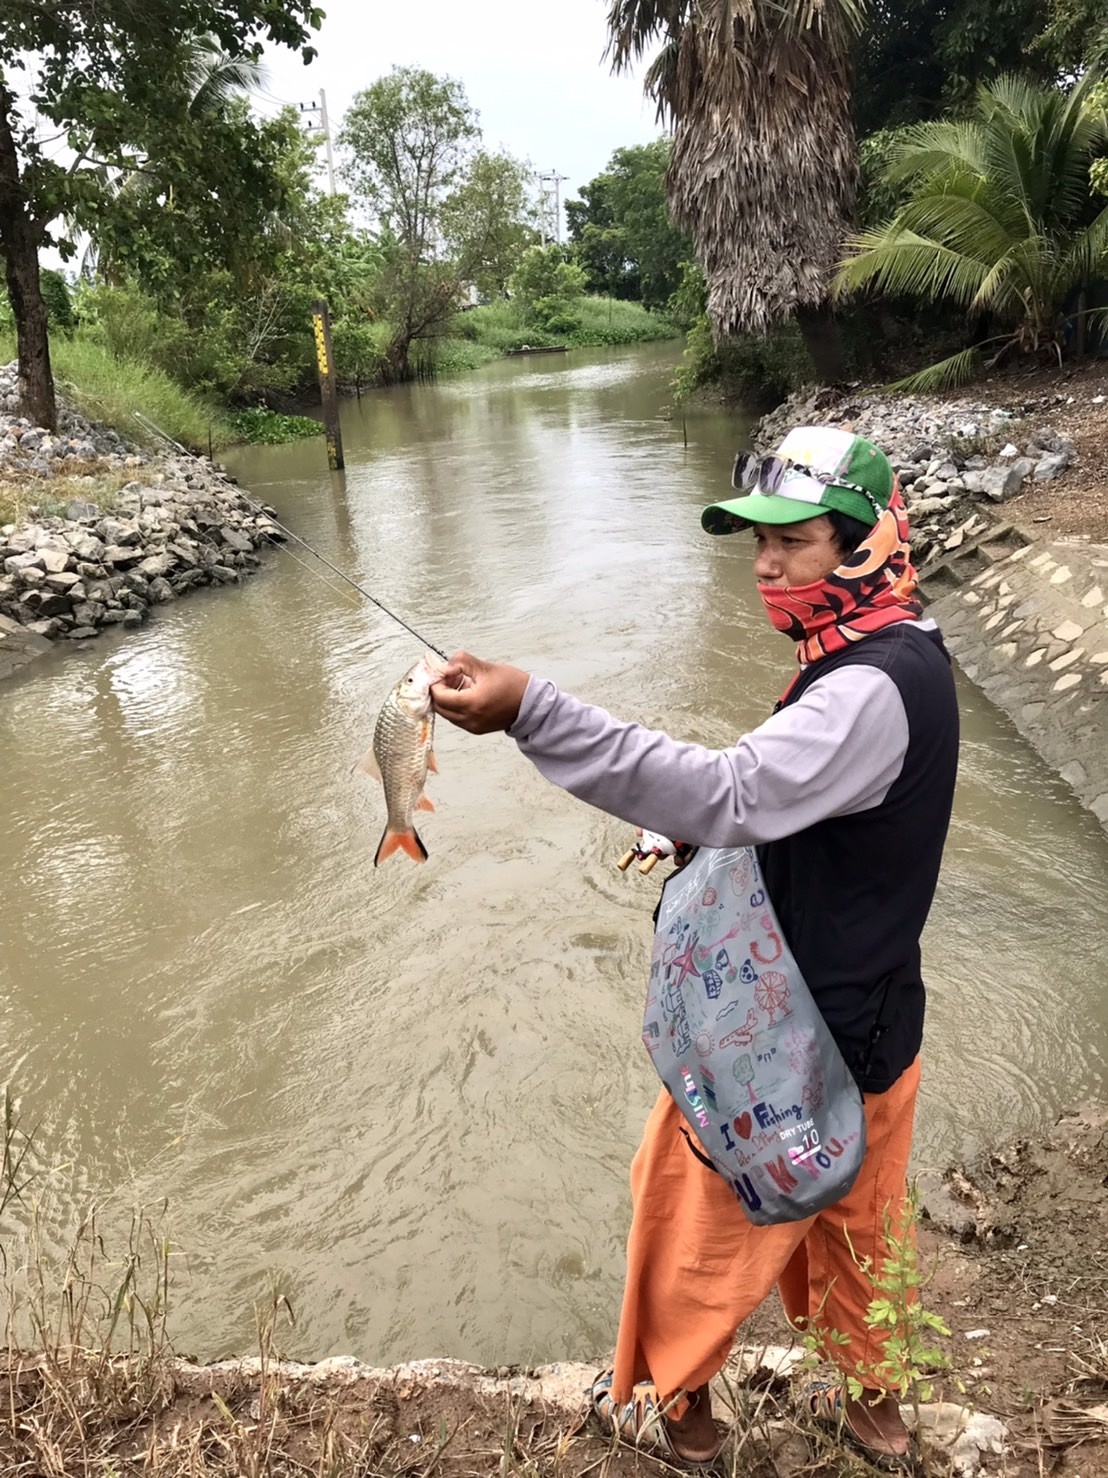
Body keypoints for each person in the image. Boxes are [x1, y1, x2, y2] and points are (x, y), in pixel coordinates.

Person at [431, 425, 959, 1470]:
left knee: (682, 1220)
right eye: (754, 543)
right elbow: (795, 800)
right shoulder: (893, 653)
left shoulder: (861, 687)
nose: (765, 566)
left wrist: (534, 709)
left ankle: (681, 1418)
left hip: (779, 1044)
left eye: (794, 543)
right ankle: (873, 1411)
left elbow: (732, 789)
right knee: (861, 1228)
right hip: (877, 1021)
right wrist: (690, 827)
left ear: (863, 543)